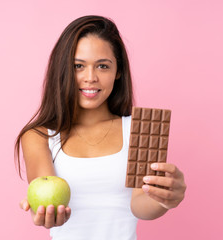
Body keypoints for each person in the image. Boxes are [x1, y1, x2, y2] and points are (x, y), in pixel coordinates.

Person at [14, 15, 187, 240]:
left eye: (103, 66)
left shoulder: (141, 128)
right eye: (78, 66)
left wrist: (165, 198)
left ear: (118, 71)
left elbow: (140, 206)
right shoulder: (39, 136)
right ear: (63, 70)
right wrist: (47, 216)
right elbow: (47, 206)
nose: (90, 77)